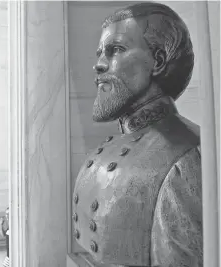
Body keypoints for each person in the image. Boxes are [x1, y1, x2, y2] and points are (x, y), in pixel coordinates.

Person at [72, 2, 202, 266]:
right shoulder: (115, 143)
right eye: (100, 53)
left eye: (115, 50)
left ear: (158, 60)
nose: (98, 64)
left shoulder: (183, 156)